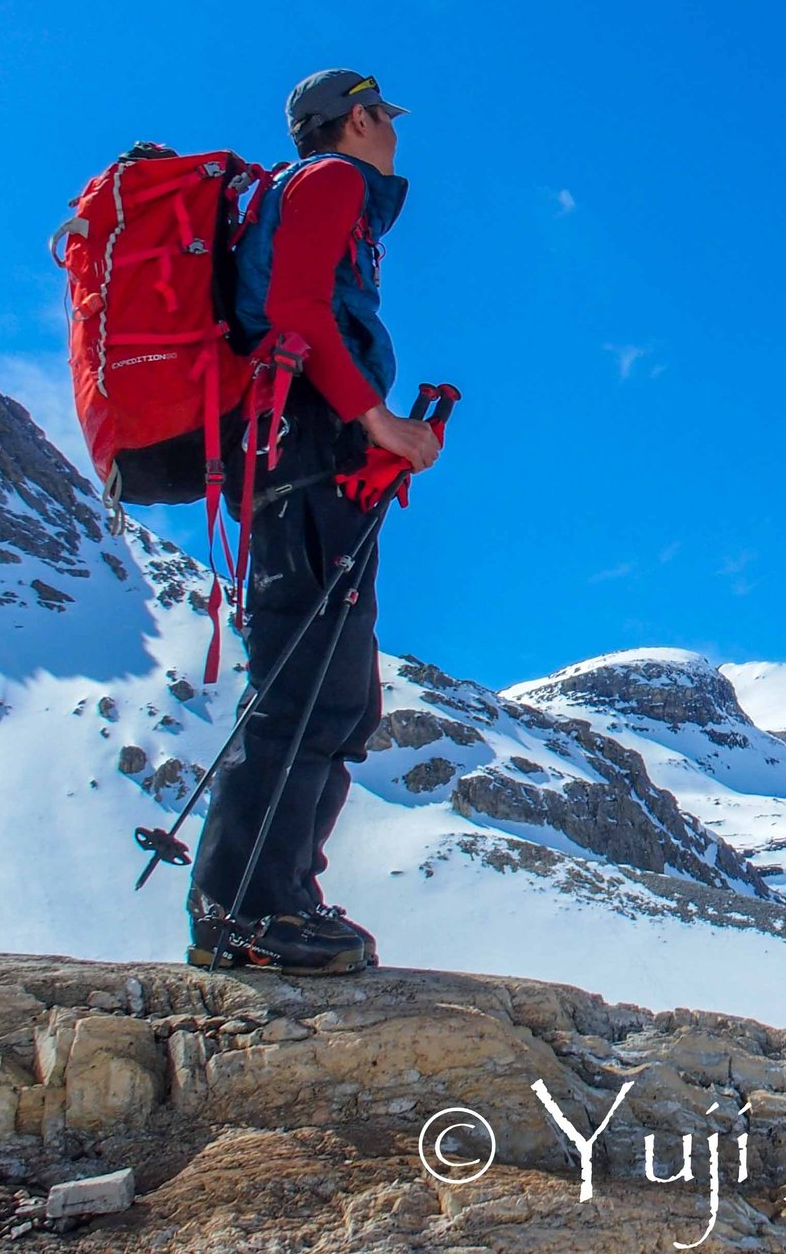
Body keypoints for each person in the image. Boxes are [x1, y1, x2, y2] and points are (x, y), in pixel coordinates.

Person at [184, 69, 440, 973]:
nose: (394, 134)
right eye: (385, 117)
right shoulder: (330, 181)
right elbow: (296, 311)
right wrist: (379, 422)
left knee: (337, 694)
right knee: (304, 684)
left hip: (303, 457)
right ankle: (245, 911)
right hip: (306, 453)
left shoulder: (319, 194)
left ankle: (281, 897)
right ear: (358, 118)